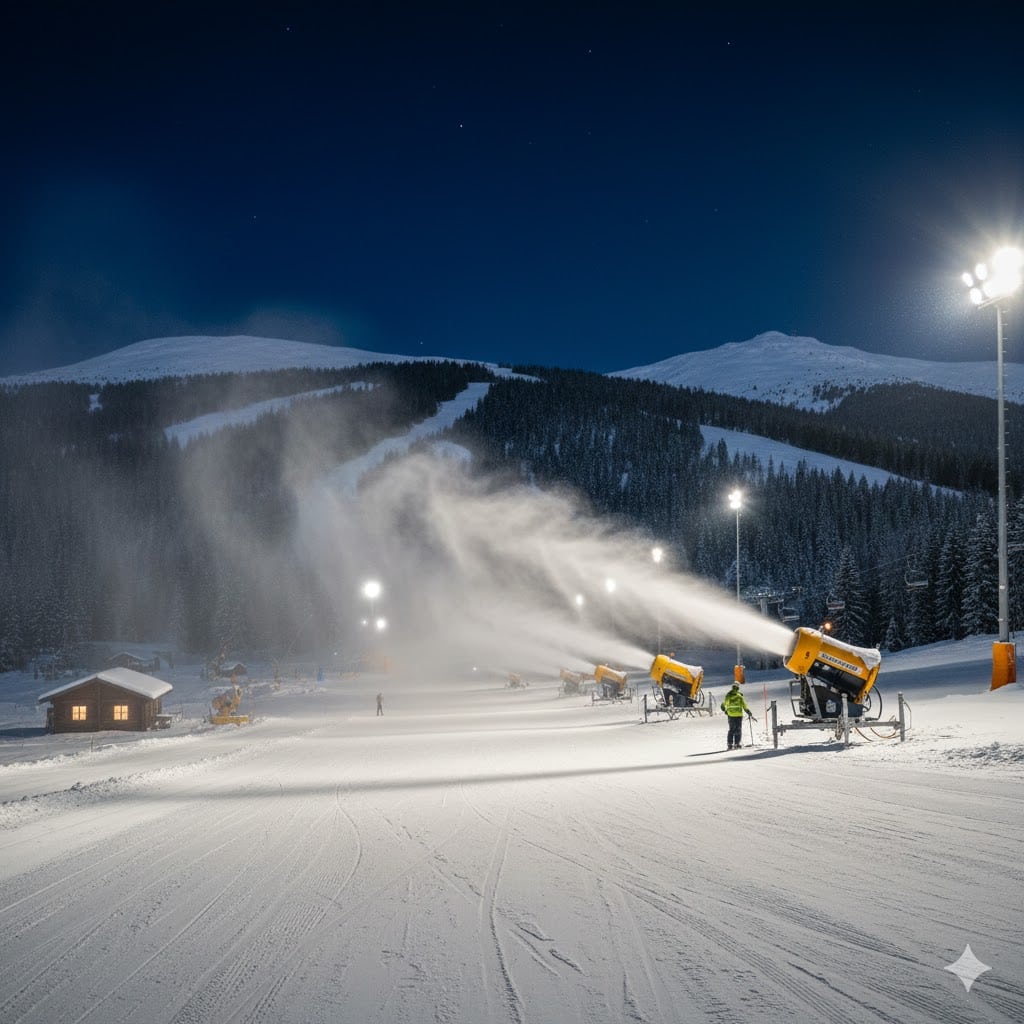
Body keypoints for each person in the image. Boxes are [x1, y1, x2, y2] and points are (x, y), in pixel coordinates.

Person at [722, 682, 753, 749]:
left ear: (732, 687)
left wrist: (725, 710)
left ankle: (730, 744)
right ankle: (737, 744)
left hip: (731, 715)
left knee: (731, 729)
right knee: (738, 729)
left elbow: (724, 704)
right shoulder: (740, 696)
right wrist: (748, 711)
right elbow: (744, 705)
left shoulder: (728, 695)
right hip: (739, 715)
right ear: (738, 688)